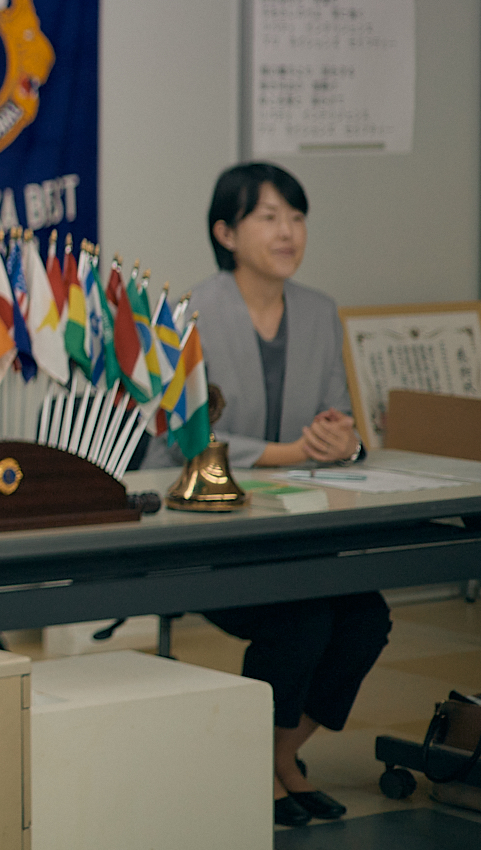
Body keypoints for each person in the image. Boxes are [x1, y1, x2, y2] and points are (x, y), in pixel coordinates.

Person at [155, 162, 385, 828]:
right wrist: (292, 453)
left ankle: (278, 757)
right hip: (211, 535)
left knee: (366, 615)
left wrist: (342, 440)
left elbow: (338, 417)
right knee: (304, 618)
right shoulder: (189, 313)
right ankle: (271, 764)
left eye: (297, 217)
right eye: (269, 216)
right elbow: (185, 442)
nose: (288, 231)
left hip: (293, 527)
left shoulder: (318, 310)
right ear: (226, 231)